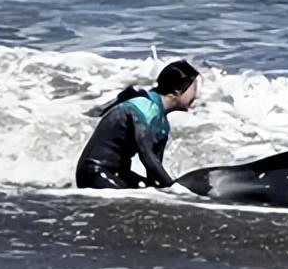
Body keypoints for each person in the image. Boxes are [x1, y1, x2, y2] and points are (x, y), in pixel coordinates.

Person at [75, 60, 200, 190]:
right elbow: (146, 154)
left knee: (150, 193)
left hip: (119, 172)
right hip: (94, 171)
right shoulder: (144, 108)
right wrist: (173, 187)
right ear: (178, 89)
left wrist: (163, 189)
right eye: (194, 88)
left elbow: (154, 168)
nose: (196, 95)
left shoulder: (162, 123)